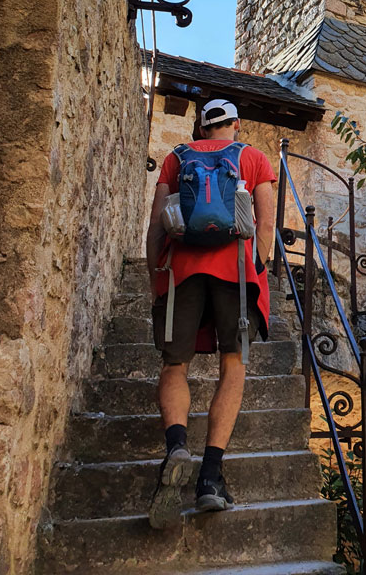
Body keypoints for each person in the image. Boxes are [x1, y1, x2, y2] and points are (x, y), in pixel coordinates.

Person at [145, 98, 276, 529]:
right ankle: (209, 477)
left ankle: (177, 445)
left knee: (174, 364)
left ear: (202, 127)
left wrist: (155, 278)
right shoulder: (253, 158)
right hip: (235, 275)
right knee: (232, 366)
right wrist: (261, 268)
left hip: (181, 271)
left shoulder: (175, 158)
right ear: (236, 124)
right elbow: (266, 225)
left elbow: (156, 224)